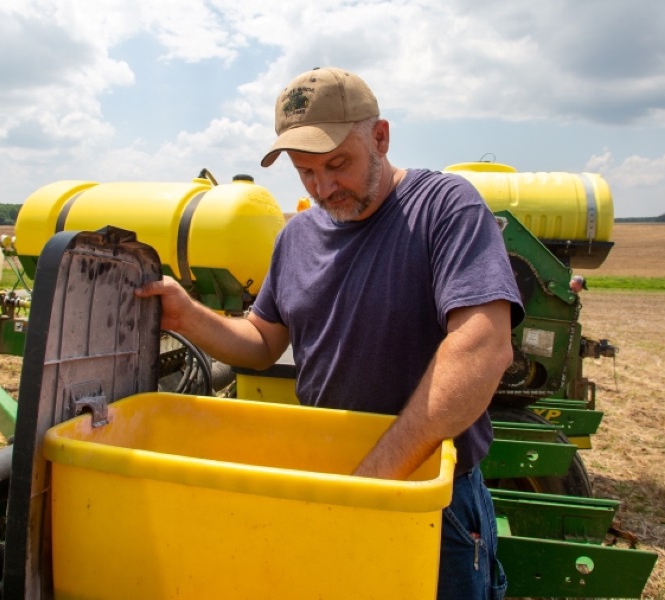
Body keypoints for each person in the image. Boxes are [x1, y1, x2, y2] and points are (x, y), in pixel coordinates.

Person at [136, 66, 524, 599]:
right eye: (305, 173)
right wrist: (186, 316)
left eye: (338, 165)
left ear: (380, 138)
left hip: (430, 501)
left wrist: (368, 484)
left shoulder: (445, 208)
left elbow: (482, 347)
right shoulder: (296, 236)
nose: (323, 187)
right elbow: (263, 342)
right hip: (330, 479)